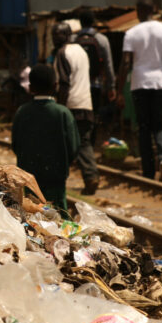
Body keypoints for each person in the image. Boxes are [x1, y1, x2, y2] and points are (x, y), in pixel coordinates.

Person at [116, 0, 162, 182]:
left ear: (138, 11)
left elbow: (126, 63)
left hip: (139, 84)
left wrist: (119, 91)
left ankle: (148, 171)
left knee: (143, 127)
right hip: (160, 83)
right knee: (159, 126)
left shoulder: (131, 33)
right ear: (154, 10)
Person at [12, 64, 80, 213]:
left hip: (28, 179)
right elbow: (73, 148)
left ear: (30, 87)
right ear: (55, 86)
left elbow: (15, 145)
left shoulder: (22, 112)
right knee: (58, 215)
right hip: (56, 179)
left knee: (32, 213)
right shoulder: (63, 113)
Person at [51, 22, 99, 195]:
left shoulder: (62, 53)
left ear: (67, 35)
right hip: (86, 104)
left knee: (64, 144)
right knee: (83, 142)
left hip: (71, 105)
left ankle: (58, 179)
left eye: (58, 34)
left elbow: (64, 83)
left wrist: (60, 109)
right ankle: (90, 176)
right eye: (53, 35)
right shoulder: (81, 51)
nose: (55, 38)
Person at [76, 10, 117, 137]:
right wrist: (111, 87)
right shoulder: (102, 40)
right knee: (93, 116)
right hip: (96, 86)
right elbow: (109, 65)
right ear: (93, 22)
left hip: (78, 86)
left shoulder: (74, 39)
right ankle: (90, 144)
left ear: (80, 23)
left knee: (78, 117)